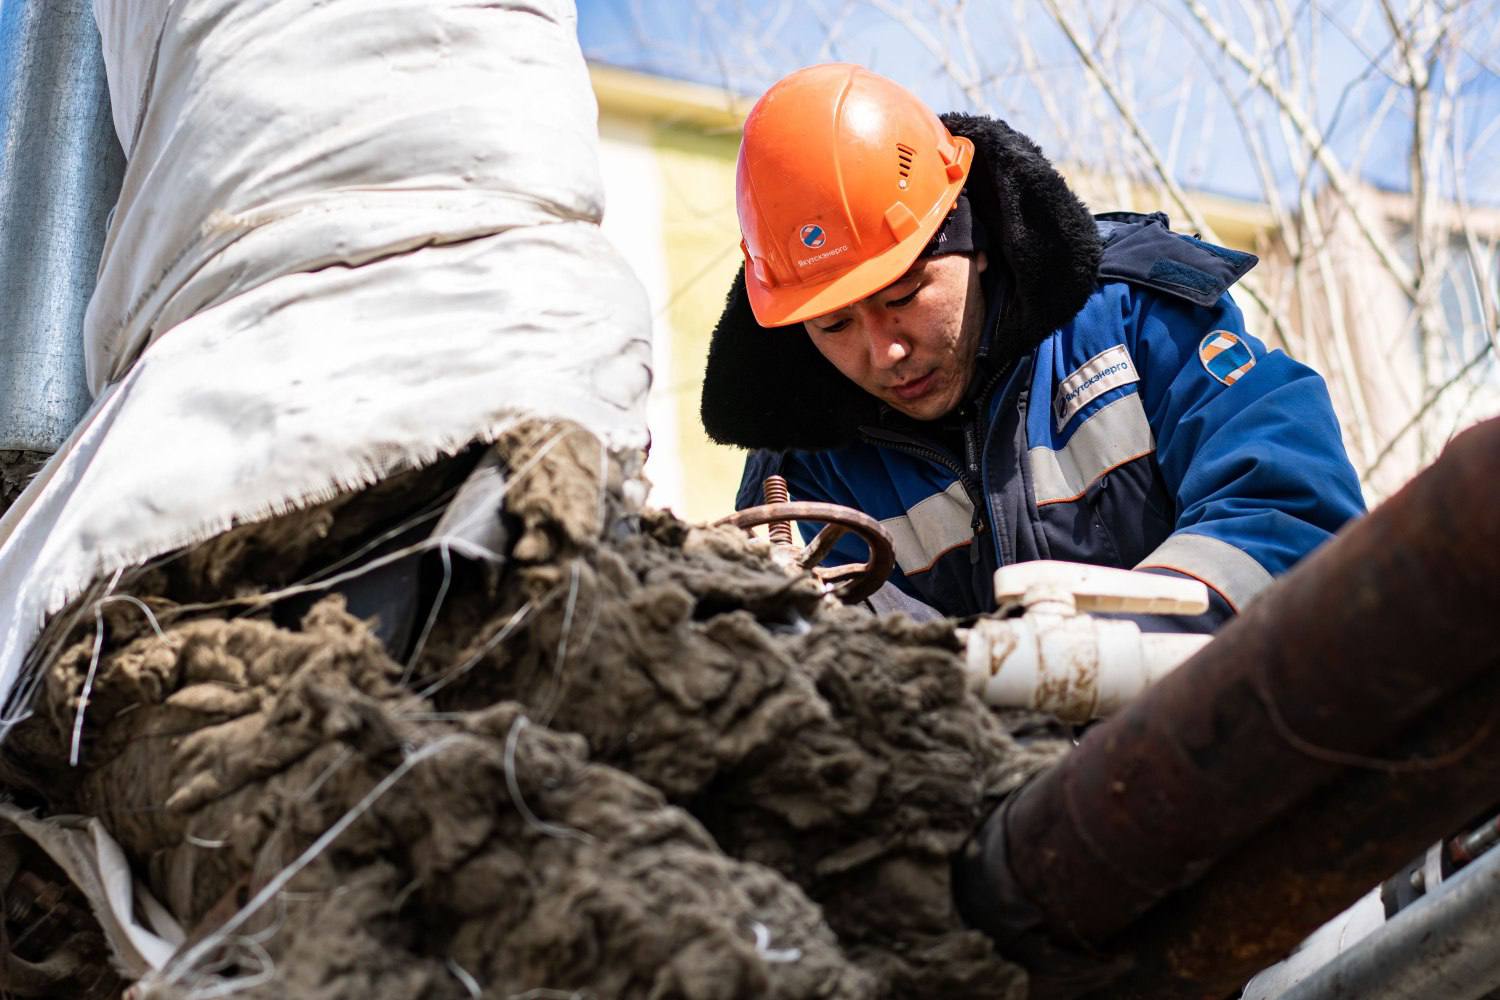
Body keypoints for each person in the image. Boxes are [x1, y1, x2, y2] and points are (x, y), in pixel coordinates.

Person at [700, 63, 1365, 632]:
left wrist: (1112, 640)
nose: (884, 352)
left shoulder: (1135, 320)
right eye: (834, 326)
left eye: (902, 297)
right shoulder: (803, 486)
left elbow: (1290, 508)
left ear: (972, 239)